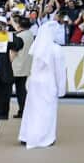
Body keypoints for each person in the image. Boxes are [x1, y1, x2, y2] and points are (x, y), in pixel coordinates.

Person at [19, 16, 67, 149]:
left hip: (35, 83)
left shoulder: (37, 46)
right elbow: (60, 71)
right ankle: (44, 137)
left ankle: (26, 136)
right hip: (48, 83)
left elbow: (32, 68)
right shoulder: (56, 49)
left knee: (32, 110)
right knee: (47, 111)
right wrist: (61, 89)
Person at [10, 15, 35, 118]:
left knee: (8, 90)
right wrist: (13, 21)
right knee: (22, 90)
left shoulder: (19, 36)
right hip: (25, 66)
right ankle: (23, 110)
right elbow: (18, 29)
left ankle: (3, 111)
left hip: (15, 66)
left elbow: (14, 52)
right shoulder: (30, 34)